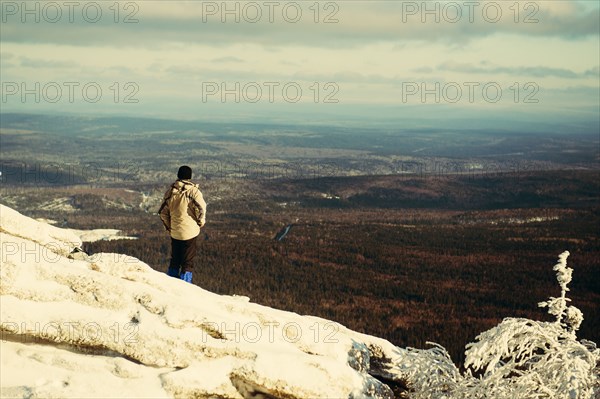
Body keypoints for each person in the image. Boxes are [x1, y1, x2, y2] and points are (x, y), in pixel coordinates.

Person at [158, 165, 206, 283]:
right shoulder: (193, 191)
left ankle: (170, 282)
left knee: (175, 260)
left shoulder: (170, 192)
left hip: (175, 231)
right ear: (189, 177)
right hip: (189, 232)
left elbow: (162, 212)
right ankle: (185, 286)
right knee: (187, 262)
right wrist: (200, 222)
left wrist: (169, 227)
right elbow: (201, 209)